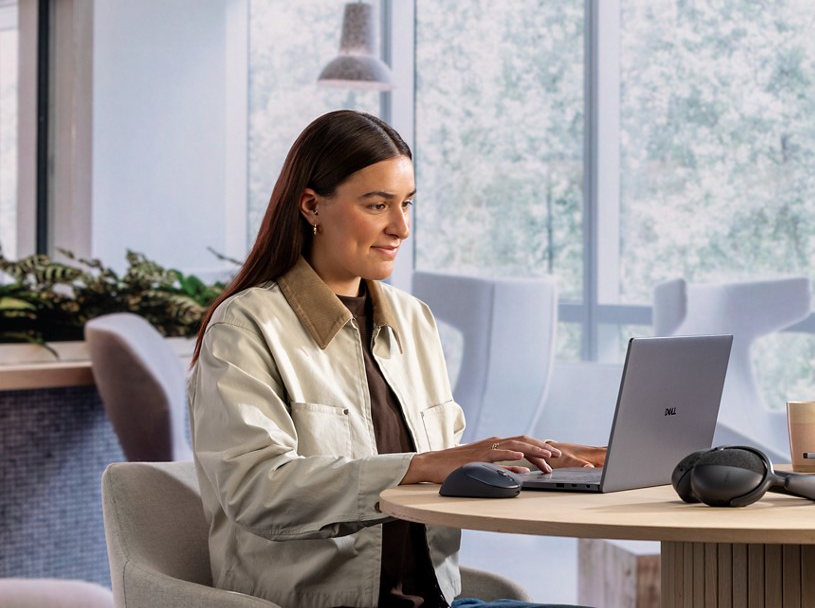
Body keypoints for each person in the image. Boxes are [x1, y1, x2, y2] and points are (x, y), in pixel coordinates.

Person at [188, 110, 604, 608]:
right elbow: (257, 490)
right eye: (377, 204)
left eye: (406, 204)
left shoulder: (413, 320)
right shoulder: (246, 327)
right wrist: (428, 465)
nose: (401, 227)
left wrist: (538, 460)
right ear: (311, 206)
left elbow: (432, 465)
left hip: (441, 600)